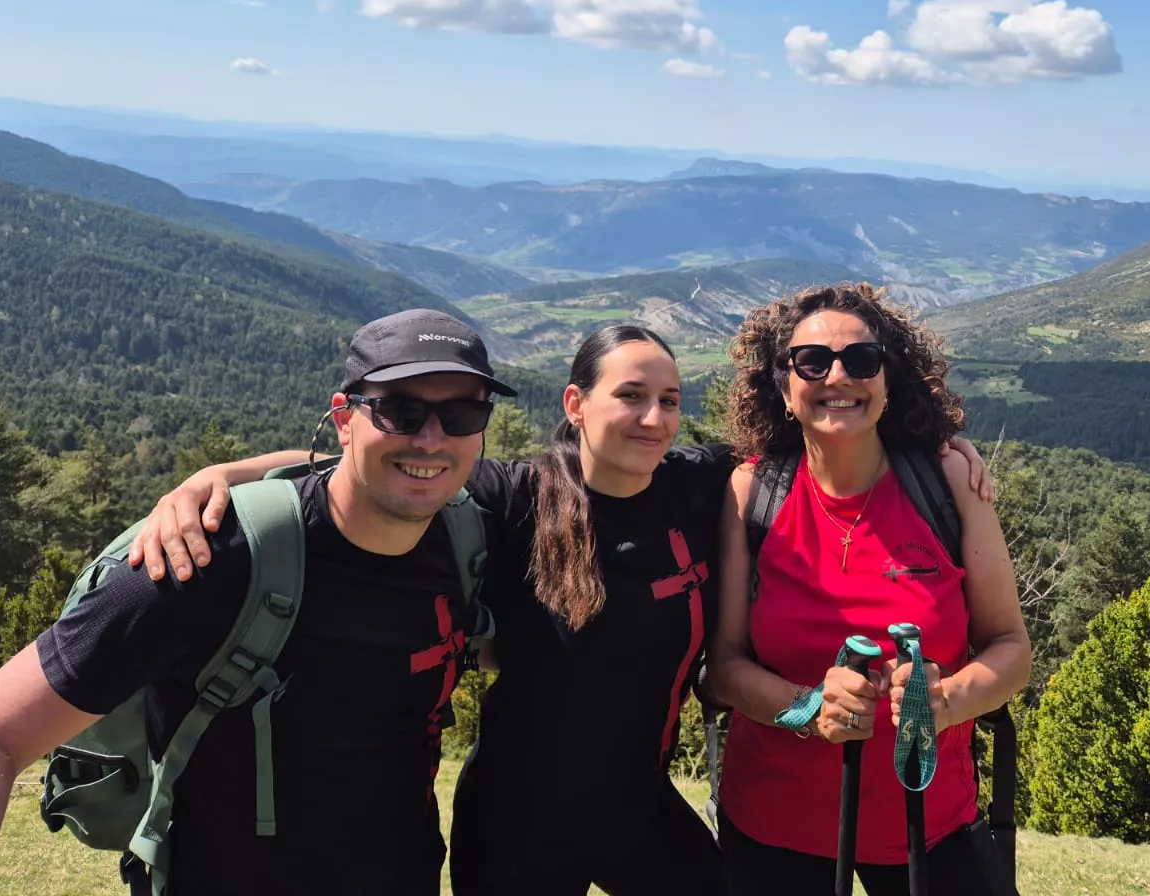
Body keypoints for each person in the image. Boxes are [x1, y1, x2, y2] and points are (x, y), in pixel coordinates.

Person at [134, 323, 997, 896]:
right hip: (514, 829)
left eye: (668, 400)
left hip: (641, 815)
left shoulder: (699, 487)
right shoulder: (515, 499)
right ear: (576, 405)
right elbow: (388, 462)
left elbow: (827, 430)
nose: (654, 417)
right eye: (630, 396)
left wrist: (936, 446)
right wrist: (223, 477)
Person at [0, 307, 512, 896]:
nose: (431, 439)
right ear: (344, 418)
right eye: (400, 410)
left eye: (461, 413)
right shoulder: (203, 559)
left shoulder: (471, 531)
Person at [707, 283, 1032, 896]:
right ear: (783, 387)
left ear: (888, 381)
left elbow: (1011, 646)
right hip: (773, 828)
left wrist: (948, 700)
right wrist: (809, 708)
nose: (839, 376)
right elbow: (724, 667)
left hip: (929, 828)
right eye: (812, 362)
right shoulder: (750, 495)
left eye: (861, 360)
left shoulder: (948, 482)